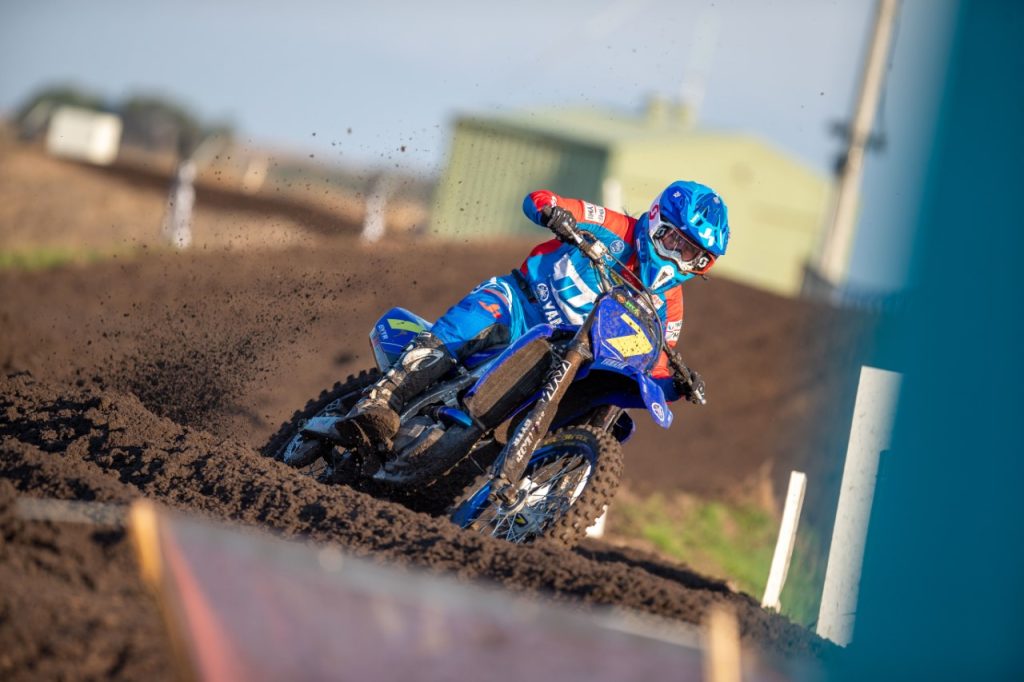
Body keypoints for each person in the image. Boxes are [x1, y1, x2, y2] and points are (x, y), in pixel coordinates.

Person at [334, 180, 731, 450]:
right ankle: (379, 400)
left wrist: (677, 382)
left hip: (559, 354)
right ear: (656, 220)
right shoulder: (616, 227)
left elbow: (655, 358)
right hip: (521, 304)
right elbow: (543, 198)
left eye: (692, 254)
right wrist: (553, 213)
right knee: (470, 322)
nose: (677, 256)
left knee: (599, 400)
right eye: (674, 239)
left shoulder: (670, 304)